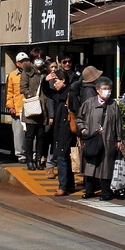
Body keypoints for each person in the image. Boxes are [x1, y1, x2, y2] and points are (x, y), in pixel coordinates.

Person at [77, 75, 124, 200]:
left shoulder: (113, 105)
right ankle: (89, 190)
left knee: (106, 166)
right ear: (97, 90)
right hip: (92, 138)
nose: (107, 91)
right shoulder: (89, 103)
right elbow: (79, 118)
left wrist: (119, 139)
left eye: (109, 89)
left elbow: (118, 123)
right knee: (90, 164)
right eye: (104, 88)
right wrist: (83, 129)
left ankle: (105, 192)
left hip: (108, 140)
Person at [45, 53, 75, 193]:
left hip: (67, 130)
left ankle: (63, 186)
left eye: (57, 80)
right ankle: (69, 185)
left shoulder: (70, 94)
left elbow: (77, 112)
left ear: (64, 81)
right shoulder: (58, 94)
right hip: (58, 129)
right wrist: (45, 80)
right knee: (63, 157)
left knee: (62, 157)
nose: (54, 83)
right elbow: (47, 92)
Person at [19, 48, 48, 170]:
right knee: (30, 136)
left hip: (43, 109)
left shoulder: (45, 72)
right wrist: (32, 96)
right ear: (32, 59)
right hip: (32, 107)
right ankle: (29, 160)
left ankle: (38, 160)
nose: (39, 61)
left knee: (41, 136)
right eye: (37, 58)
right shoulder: (27, 71)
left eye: (41, 58)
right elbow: (23, 88)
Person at [5, 52, 29, 162]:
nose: (25, 63)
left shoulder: (31, 74)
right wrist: (10, 107)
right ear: (17, 63)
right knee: (19, 134)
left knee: (30, 133)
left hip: (30, 108)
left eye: (26, 61)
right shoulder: (12, 76)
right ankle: (21, 155)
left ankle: (31, 154)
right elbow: (9, 92)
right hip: (17, 108)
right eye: (22, 62)